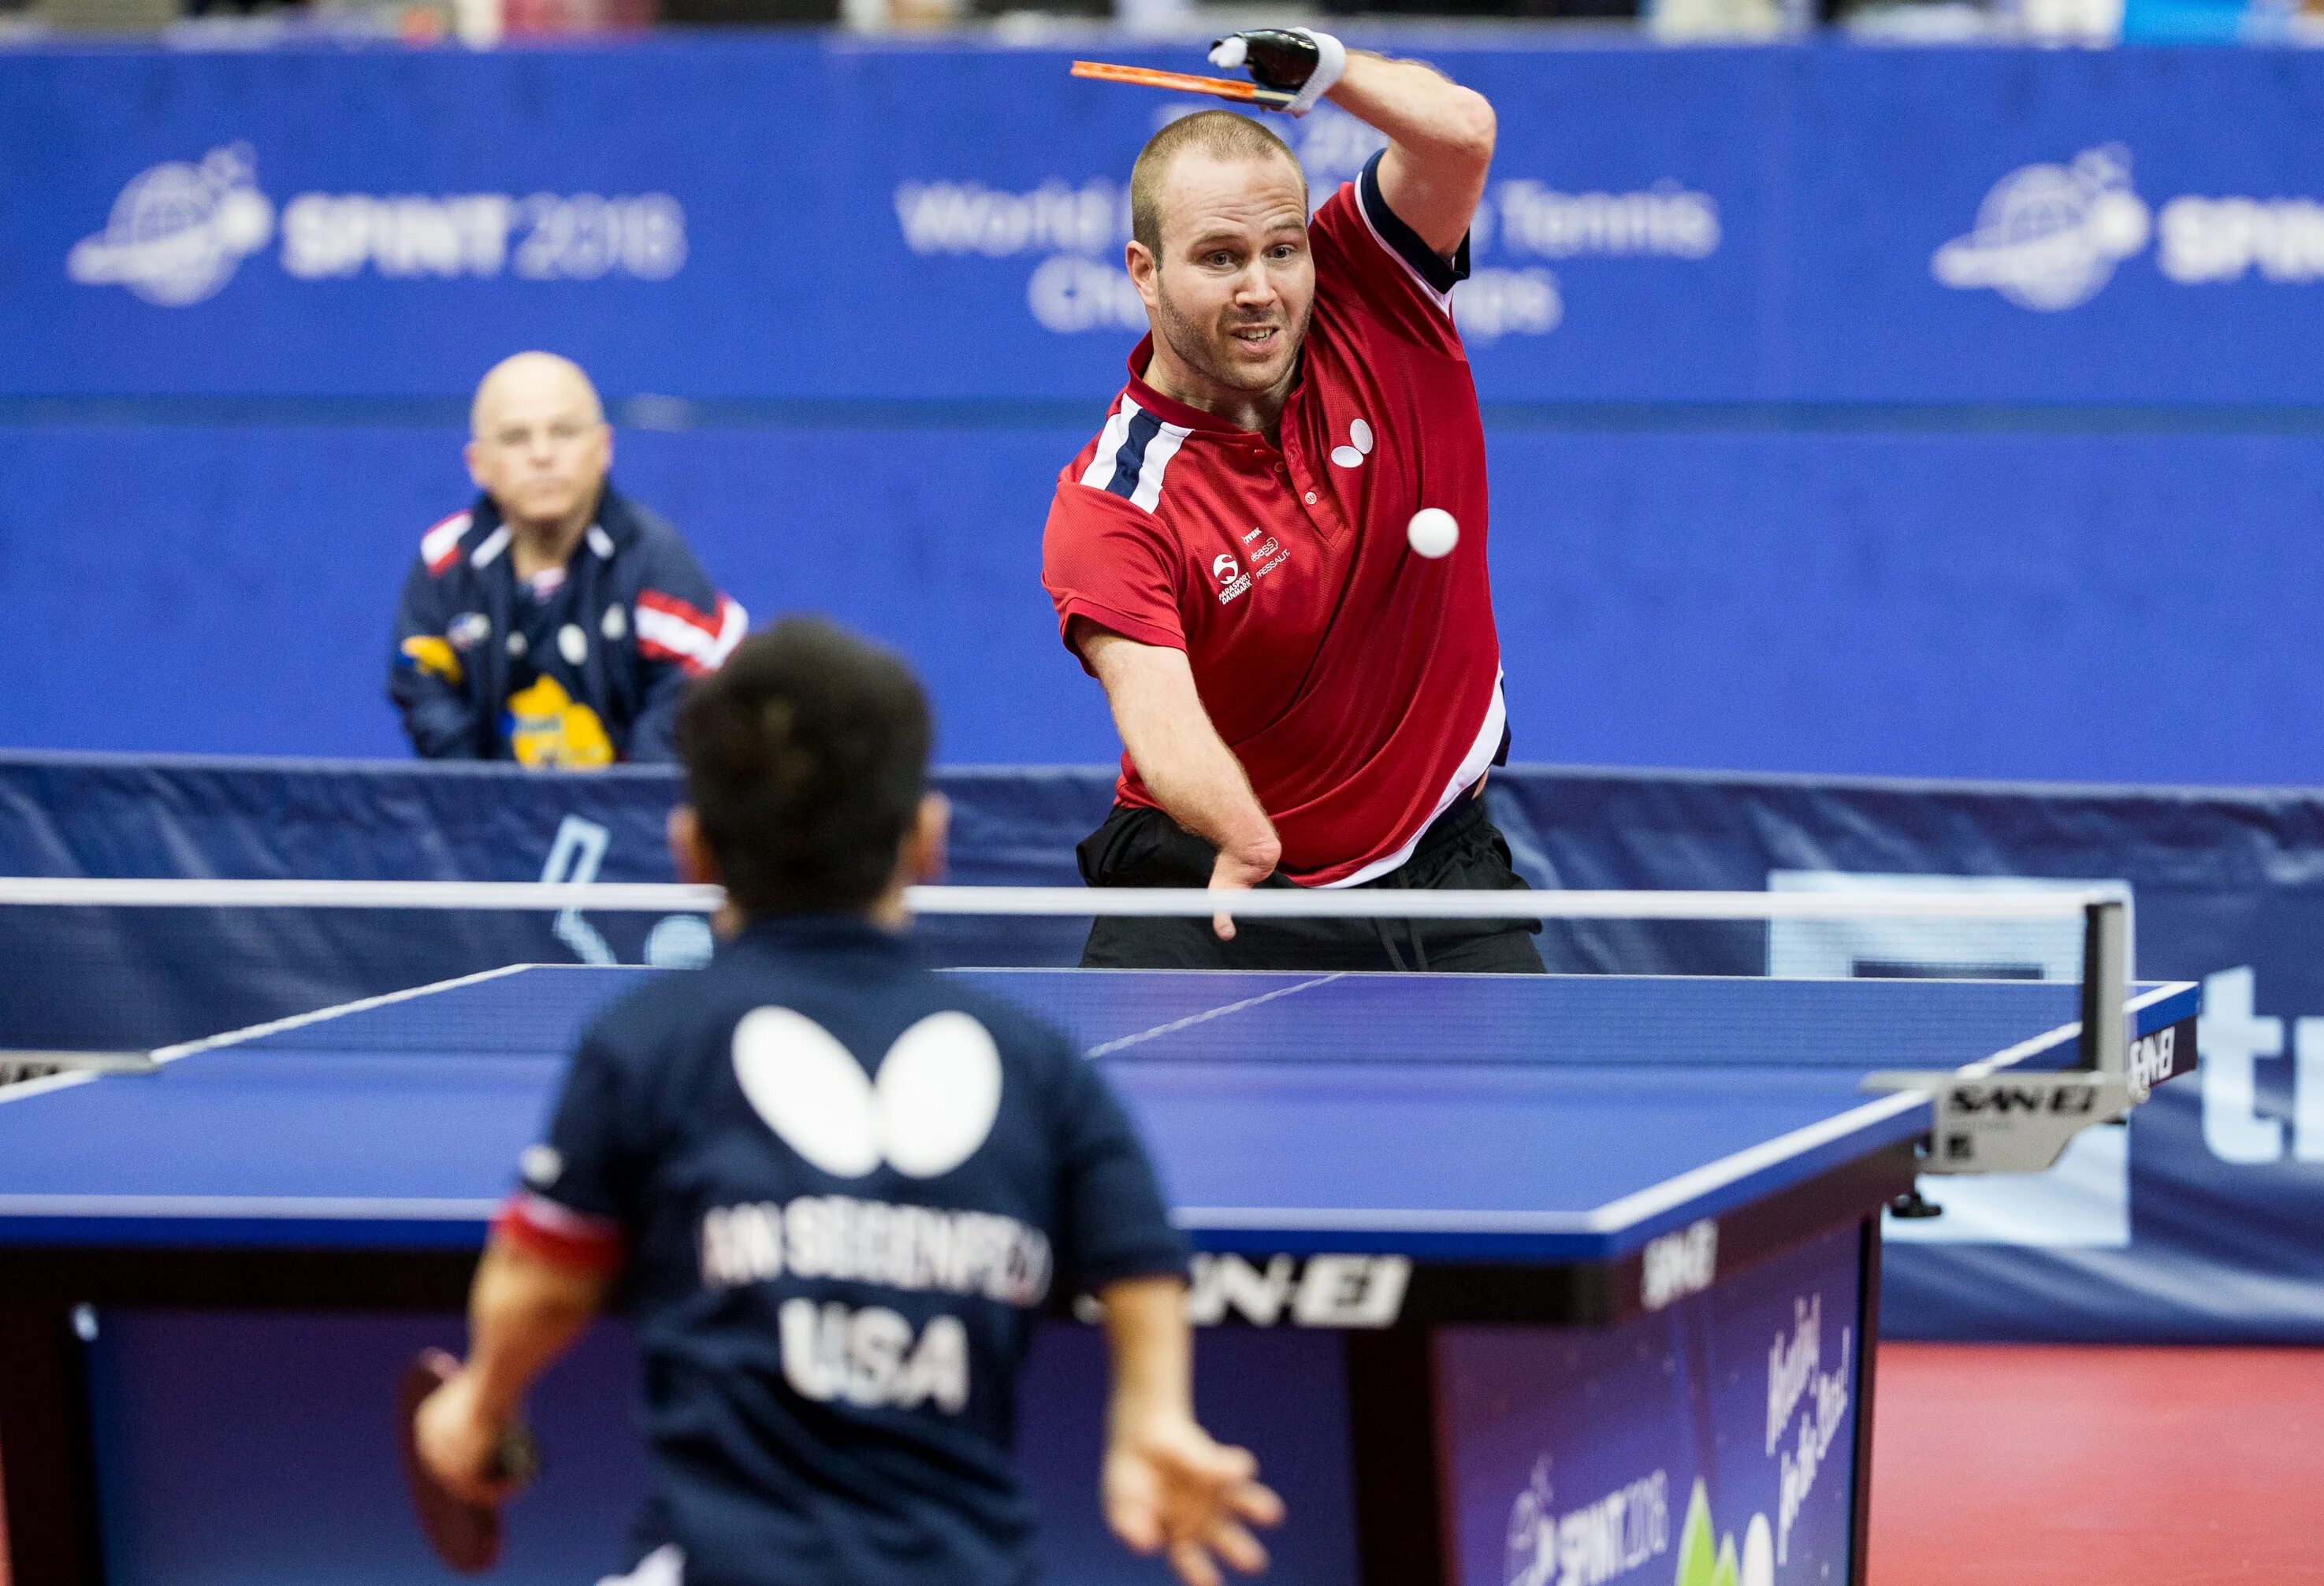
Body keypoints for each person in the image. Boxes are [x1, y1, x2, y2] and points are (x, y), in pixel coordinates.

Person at [411, 617, 1283, 1586]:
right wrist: (1151, 1416)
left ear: (690, 850)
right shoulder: (1035, 1065)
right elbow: (1139, 1255)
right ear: (929, 841)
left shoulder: (646, 1048)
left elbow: (544, 1281)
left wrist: (478, 1410)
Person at [1039, 32, 1542, 974]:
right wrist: (1245, 835)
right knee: (1130, 1114)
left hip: (1437, 865)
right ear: (1143, 273)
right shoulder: (1114, 500)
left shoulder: (1372, 286)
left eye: (1282, 249)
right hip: (1211, 876)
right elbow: (1160, 720)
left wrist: (1335, 73)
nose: (1262, 289)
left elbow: (1461, 134)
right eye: (1221, 259)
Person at [389, 352, 747, 767]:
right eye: (515, 437)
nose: (542, 454)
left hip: (635, 817)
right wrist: (483, 801)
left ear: (603, 448)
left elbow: (700, 686)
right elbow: (422, 688)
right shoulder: (444, 560)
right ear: (478, 464)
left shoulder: (653, 557)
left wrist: (625, 806)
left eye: (563, 431)